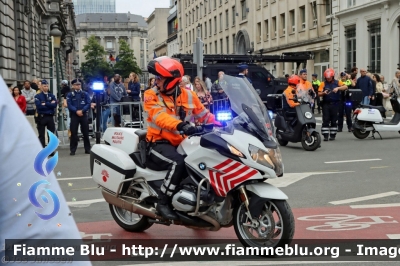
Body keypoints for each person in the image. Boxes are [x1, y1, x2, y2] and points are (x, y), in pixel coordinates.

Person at [0, 76, 92, 266]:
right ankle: (70, 148)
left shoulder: (73, 95)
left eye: (77, 84)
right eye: (74, 84)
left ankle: (73, 149)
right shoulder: (43, 97)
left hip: (54, 117)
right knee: (59, 135)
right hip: (48, 117)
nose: (76, 86)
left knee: (60, 136)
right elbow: (44, 106)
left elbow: (40, 233)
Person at [144, 56, 217, 220]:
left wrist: (224, 123)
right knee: (178, 162)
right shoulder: (151, 95)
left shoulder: (189, 95)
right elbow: (159, 117)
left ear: (171, 80)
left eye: (159, 78)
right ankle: (162, 203)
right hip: (158, 143)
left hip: (183, 142)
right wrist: (181, 125)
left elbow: (204, 115)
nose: (156, 81)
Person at [318, 69, 348, 141]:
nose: (328, 79)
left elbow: (345, 87)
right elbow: (318, 93)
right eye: (327, 78)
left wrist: (338, 88)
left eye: (330, 77)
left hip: (335, 104)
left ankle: (333, 135)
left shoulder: (338, 82)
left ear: (332, 76)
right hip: (326, 104)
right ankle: (325, 135)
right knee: (326, 120)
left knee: (334, 120)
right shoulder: (323, 83)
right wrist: (323, 93)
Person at [66, 79, 91, 156]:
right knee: (74, 133)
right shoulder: (70, 95)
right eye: (76, 84)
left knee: (86, 133)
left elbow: (88, 103)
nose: (78, 86)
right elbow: (69, 105)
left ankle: (87, 149)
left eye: (79, 84)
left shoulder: (85, 94)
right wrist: (76, 111)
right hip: (74, 115)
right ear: (73, 86)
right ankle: (73, 150)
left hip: (83, 115)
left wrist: (82, 111)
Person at [34, 80, 56, 148]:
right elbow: (39, 106)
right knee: (41, 135)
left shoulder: (51, 95)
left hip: (50, 116)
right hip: (42, 117)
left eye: (47, 86)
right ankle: (42, 148)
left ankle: (50, 149)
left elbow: (54, 105)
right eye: (44, 86)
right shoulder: (38, 96)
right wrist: (49, 104)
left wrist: (46, 103)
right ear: (41, 86)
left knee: (51, 134)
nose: (46, 87)